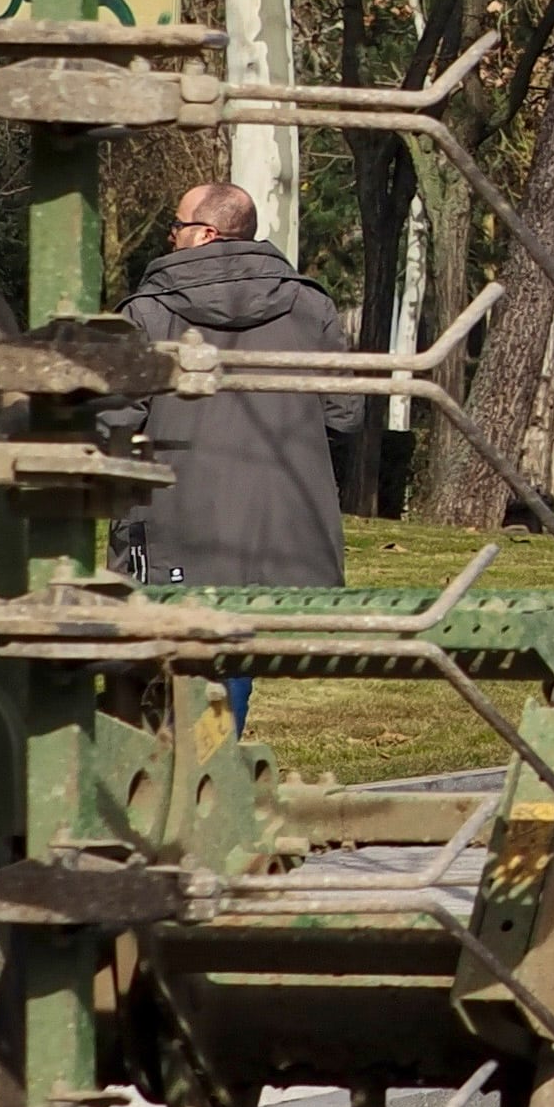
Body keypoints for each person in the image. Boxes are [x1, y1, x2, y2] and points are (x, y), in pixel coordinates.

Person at [107, 183, 355, 728]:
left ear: (205, 234)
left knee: (165, 668)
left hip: (176, 522)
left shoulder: (149, 313)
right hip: (281, 527)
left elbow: (116, 419)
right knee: (232, 660)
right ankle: (211, 774)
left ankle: (177, 789)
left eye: (174, 226)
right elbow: (344, 415)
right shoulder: (310, 305)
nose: (168, 237)